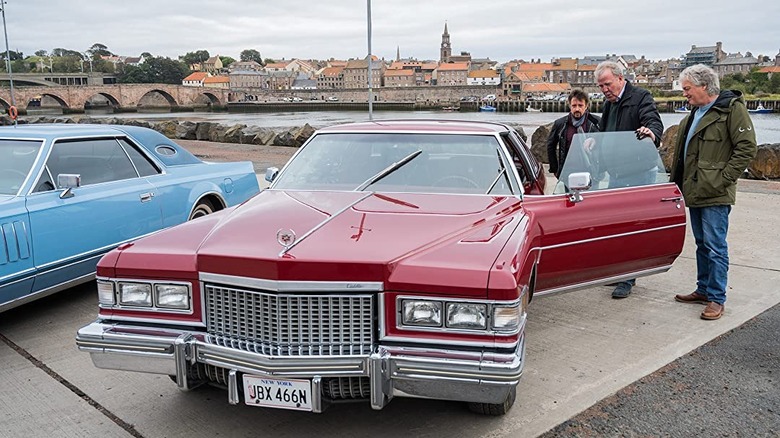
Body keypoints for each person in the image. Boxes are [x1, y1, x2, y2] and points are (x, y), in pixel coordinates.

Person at [670, 64, 757, 321]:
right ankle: (704, 289)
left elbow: (747, 148)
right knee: (701, 244)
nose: (684, 93)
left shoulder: (731, 110)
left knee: (716, 246)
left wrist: (723, 180)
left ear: (704, 86)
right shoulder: (694, 113)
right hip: (695, 189)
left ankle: (717, 299)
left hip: (714, 192)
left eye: (687, 89)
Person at [595, 60, 664, 299]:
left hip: (638, 172)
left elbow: (653, 121)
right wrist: (596, 140)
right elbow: (605, 131)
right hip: (615, 173)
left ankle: (627, 278)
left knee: (633, 227)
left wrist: (651, 132)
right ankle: (618, 272)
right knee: (616, 227)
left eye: (607, 84)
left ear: (620, 78)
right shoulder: (608, 104)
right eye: (601, 86)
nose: (604, 89)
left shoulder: (641, 96)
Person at [546, 89, 601, 180]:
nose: (577, 109)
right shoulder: (560, 124)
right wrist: (555, 168)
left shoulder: (596, 122)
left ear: (586, 106)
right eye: (574, 106)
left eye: (580, 105)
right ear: (569, 106)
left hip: (591, 171)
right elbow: (550, 145)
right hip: (568, 171)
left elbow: (603, 142)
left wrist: (601, 169)